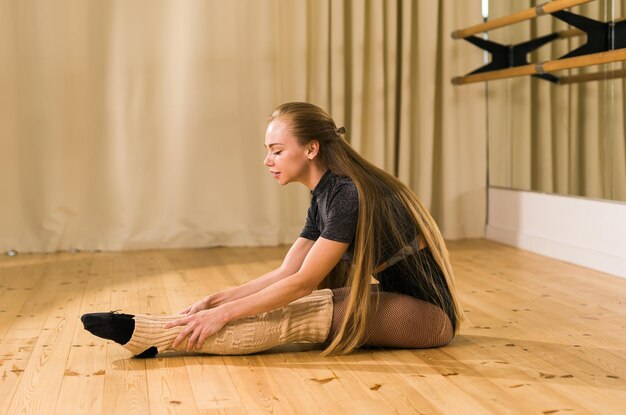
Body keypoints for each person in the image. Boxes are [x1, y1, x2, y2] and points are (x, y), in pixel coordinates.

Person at [81, 102, 463, 357]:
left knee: (298, 315)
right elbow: (287, 272)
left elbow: (302, 284)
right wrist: (218, 299)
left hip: (429, 319)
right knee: (287, 307)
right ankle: (157, 331)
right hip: (405, 303)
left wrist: (224, 315)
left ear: (311, 149)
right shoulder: (324, 193)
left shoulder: (347, 193)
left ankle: (159, 338)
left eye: (277, 151)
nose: (268, 161)